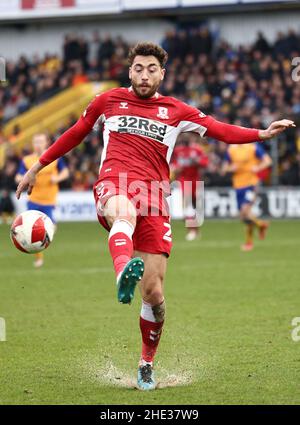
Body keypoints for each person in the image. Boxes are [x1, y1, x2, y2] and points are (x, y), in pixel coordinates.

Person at [16, 42, 295, 390]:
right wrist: (37, 167)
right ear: (129, 71)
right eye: (138, 68)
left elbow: (220, 129)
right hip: (114, 184)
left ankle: (146, 363)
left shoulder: (176, 110)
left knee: (154, 294)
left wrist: (261, 133)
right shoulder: (107, 101)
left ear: (162, 74)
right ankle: (122, 274)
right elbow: (75, 133)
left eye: (151, 69)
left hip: (156, 198)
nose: (144, 74)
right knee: (123, 212)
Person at [15, 133, 69, 267]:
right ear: (32, 144)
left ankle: (41, 244)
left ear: (46, 142)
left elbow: (65, 172)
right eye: (35, 142)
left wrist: (57, 178)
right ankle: (38, 257)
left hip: (49, 200)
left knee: (51, 227)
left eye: (40, 141)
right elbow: (18, 176)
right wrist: (22, 180)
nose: (38, 144)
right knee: (30, 229)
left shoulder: (54, 158)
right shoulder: (27, 160)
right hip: (33, 199)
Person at [223, 143, 272, 251]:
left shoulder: (253, 147)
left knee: (245, 211)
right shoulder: (231, 149)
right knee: (244, 216)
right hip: (238, 186)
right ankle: (261, 225)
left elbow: (268, 161)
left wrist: (258, 167)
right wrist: (232, 168)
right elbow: (224, 168)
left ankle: (250, 241)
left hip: (251, 184)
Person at [170, 134, 208, 241]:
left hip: (196, 180)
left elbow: (205, 162)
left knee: (196, 207)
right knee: (187, 206)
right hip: (184, 180)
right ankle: (191, 230)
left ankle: (196, 229)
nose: (185, 138)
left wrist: (196, 162)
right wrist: (176, 169)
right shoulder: (178, 150)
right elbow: (174, 165)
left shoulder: (197, 149)